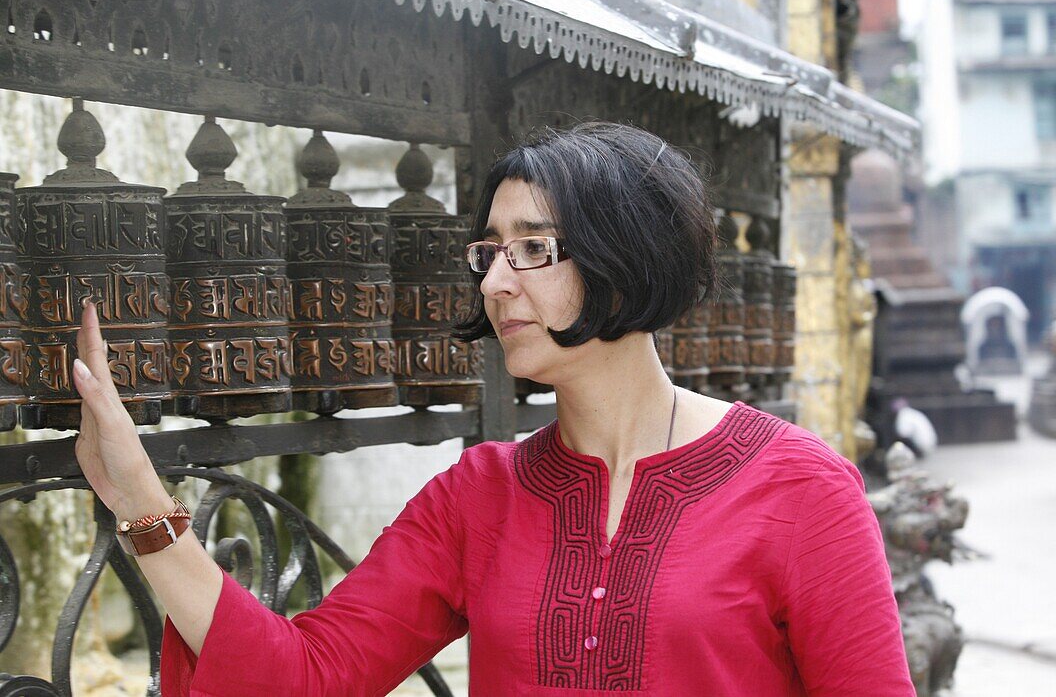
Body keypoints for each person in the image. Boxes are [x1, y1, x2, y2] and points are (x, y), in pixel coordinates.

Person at [72, 122, 915, 696]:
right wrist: (144, 501)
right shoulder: (479, 495)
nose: (495, 280)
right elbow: (308, 673)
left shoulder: (802, 490)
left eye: (534, 250)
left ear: (628, 259)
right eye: (490, 250)